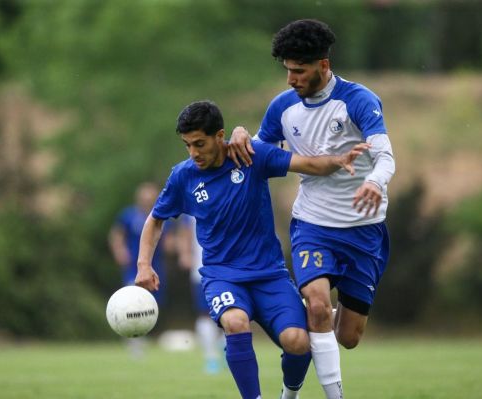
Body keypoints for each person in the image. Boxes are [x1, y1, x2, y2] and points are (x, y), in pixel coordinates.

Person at [135, 100, 369, 399]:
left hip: (270, 275)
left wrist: (339, 160)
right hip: (223, 276)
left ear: (220, 136)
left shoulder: (251, 158)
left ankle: (289, 394)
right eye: (187, 145)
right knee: (235, 322)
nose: (193, 153)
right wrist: (145, 264)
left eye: (199, 143)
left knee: (298, 341)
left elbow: (305, 164)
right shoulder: (183, 176)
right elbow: (155, 220)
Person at [228, 19, 396, 399]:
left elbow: (386, 156)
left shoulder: (359, 100)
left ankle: (308, 333)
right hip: (313, 224)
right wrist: (240, 132)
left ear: (323, 65)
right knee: (318, 305)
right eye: (287, 70)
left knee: (348, 337)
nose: (290, 79)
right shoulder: (283, 107)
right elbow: (256, 154)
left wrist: (374, 181)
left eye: (299, 71)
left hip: (364, 230)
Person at [108, 181, 169, 356]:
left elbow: (168, 238)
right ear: (139, 197)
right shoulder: (128, 215)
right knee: (132, 302)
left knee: (152, 304)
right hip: (134, 267)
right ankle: (134, 344)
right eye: (144, 196)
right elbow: (116, 234)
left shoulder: (161, 215)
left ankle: (141, 335)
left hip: (157, 266)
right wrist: (119, 251)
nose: (147, 199)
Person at [177, 215, 225, 375]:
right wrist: (184, 253)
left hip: (230, 269)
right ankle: (211, 358)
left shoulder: (231, 195)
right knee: (205, 314)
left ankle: (227, 349)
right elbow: (185, 232)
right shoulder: (193, 203)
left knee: (232, 311)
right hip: (202, 270)